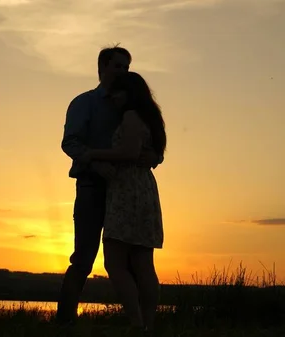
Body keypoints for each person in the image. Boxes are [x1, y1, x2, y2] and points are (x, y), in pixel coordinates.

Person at [57, 45, 163, 325]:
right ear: (102, 68)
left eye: (127, 67)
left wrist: (154, 156)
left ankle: (140, 322)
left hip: (126, 192)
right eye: (118, 66)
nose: (122, 72)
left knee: (132, 261)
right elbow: (70, 142)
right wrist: (94, 163)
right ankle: (65, 322)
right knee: (83, 258)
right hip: (93, 187)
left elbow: (148, 145)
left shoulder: (131, 105)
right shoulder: (85, 103)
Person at [79, 71, 166, 335]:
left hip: (127, 190)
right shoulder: (150, 119)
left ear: (130, 94)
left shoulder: (130, 116)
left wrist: (93, 154)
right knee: (143, 263)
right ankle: (147, 323)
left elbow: (128, 152)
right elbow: (146, 153)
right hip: (144, 190)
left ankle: (137, 323)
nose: (113, 97)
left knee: (115, 264)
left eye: (118, 92)